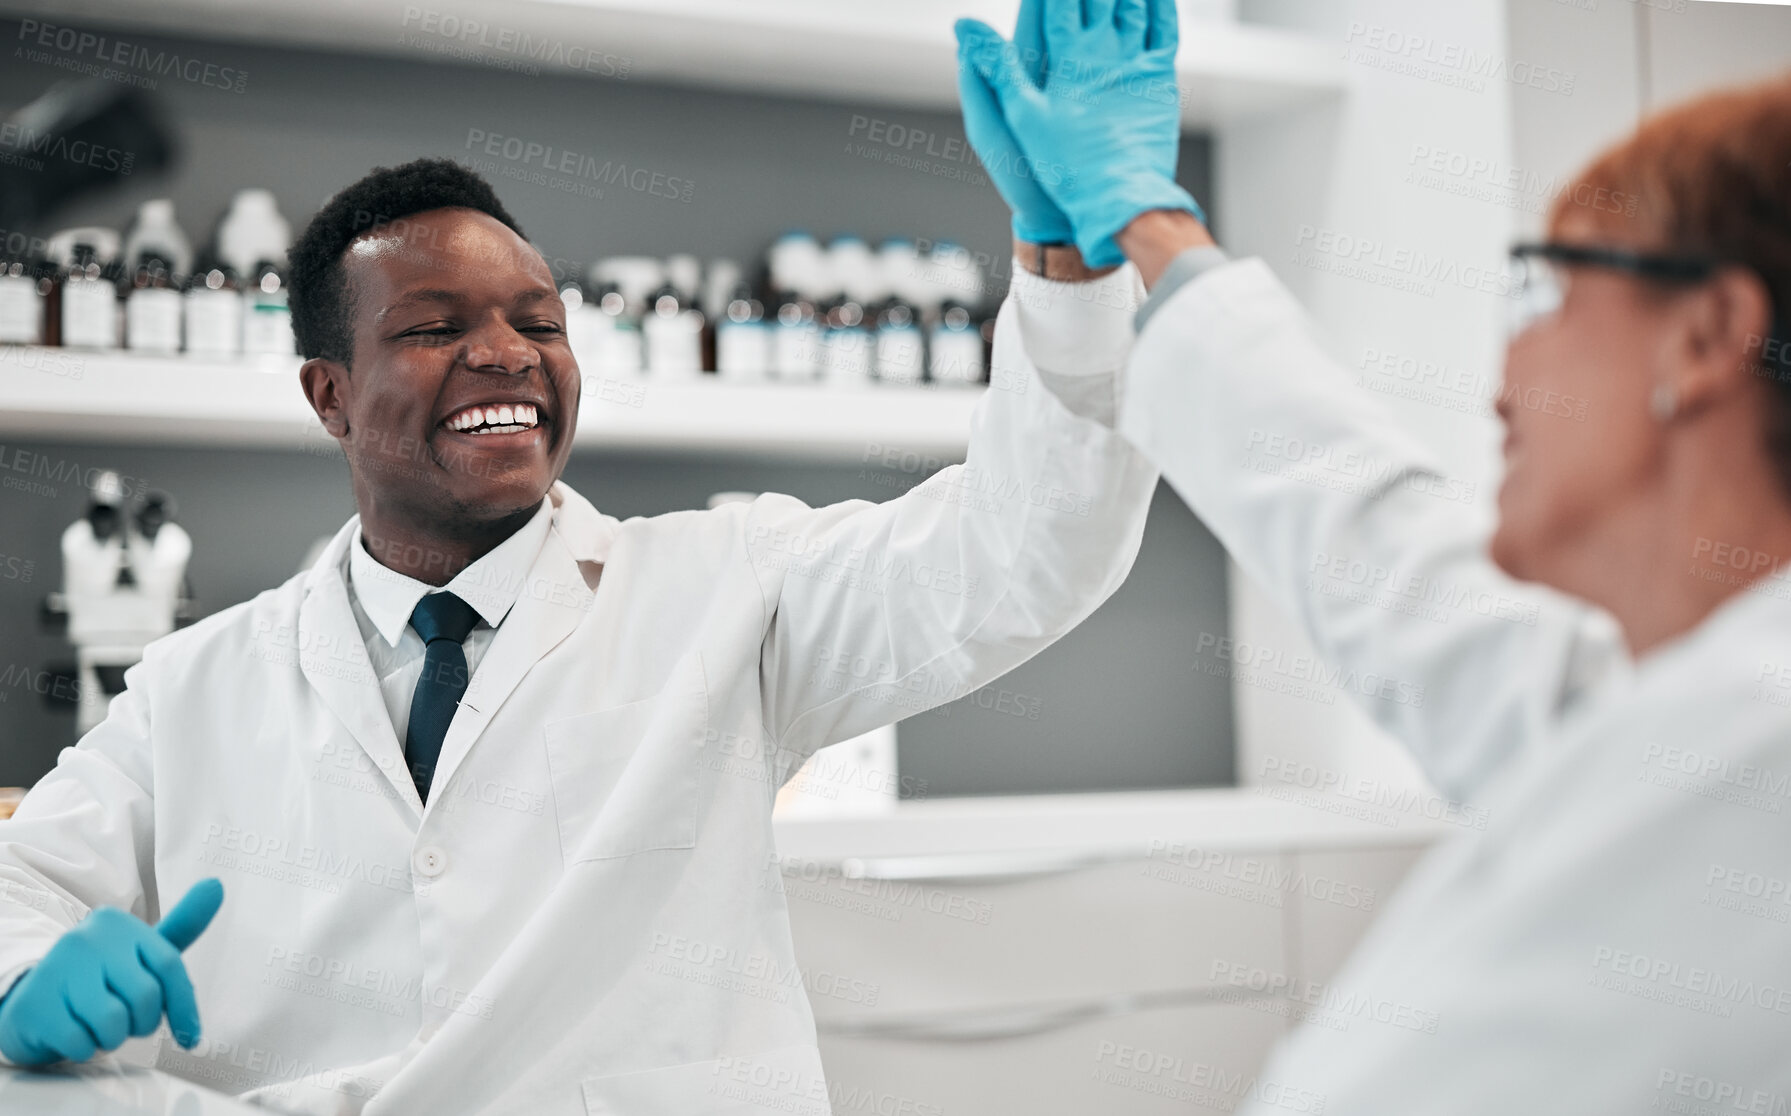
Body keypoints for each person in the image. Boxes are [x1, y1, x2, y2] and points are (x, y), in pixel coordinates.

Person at [0, 155, 1162, 1113]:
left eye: (538, 321)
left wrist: (1071, 259)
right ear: (330, 395)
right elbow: (22, 879)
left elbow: (1025, 547)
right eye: (434, 324)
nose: (507, 352)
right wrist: (26, 977)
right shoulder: (193, 686)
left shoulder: (731, 586)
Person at [956, 0, 1791, 1110]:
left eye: (1547, 287)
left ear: (1704, 336)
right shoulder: (1686, 717)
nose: (1504, 375)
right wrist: (1146, 225)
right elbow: (1394, 566)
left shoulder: (1753, 753)